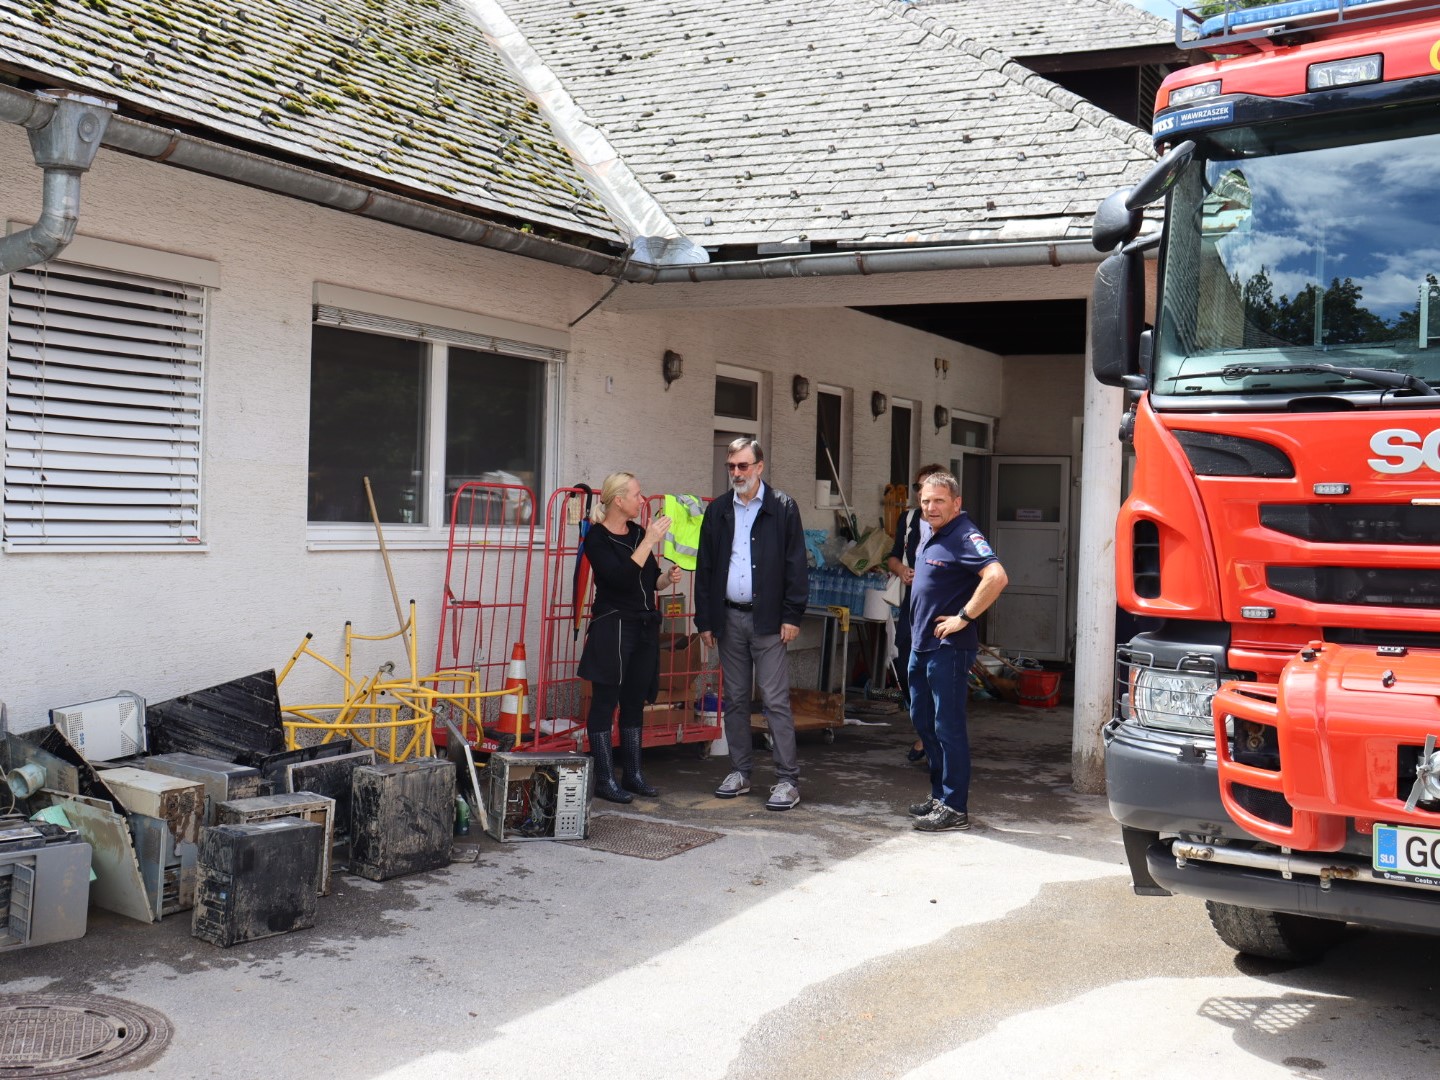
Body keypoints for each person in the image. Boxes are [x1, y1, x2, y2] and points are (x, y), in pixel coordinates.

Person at [695, 438, 809, 811]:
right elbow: (706, 567)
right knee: (735, 699)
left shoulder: (782, 507)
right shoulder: (719, 510)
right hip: (728, 617)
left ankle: (787, 780)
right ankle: (740, 772)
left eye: (743, 466)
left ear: (760, 467)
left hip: (770, 620)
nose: (736, 473)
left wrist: (792, 615)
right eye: (731, 466)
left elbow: (796, 564)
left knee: (775, 700)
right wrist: (705, 619)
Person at [906, 472, 1008, 832]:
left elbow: (996, 577)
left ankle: (954, 807)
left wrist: (964, 617)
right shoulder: (931, 533)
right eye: (925, 501)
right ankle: (939, 796)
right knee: (923, 722)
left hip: (948, 649)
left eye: (939, 501)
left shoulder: (964, 535)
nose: (931, 507)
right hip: (922, 645)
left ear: (956, 503)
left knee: (947, 727)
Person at [576, 471, 683, 803]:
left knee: (635, 700)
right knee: (605, 700)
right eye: (637, 494)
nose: (642, 499)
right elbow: (620, 578)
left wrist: (667, 578)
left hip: (643, 625)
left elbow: (650, 581)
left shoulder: (637, 532)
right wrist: (649, 541)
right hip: (613, 626)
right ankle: (605, 779)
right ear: (619, 500)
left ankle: (633, 774)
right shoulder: (597, 538)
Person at [886, 462, 947, 764]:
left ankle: (933, 738)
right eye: (918, 488)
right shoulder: (908, 518)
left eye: (930, 488)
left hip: (942, 603)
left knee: (936, 668)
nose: (923, 494)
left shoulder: (954, 523)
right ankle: (924, 729)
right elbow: (893, 556)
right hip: (912, 600)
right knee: (905, 660)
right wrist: (901, 570)